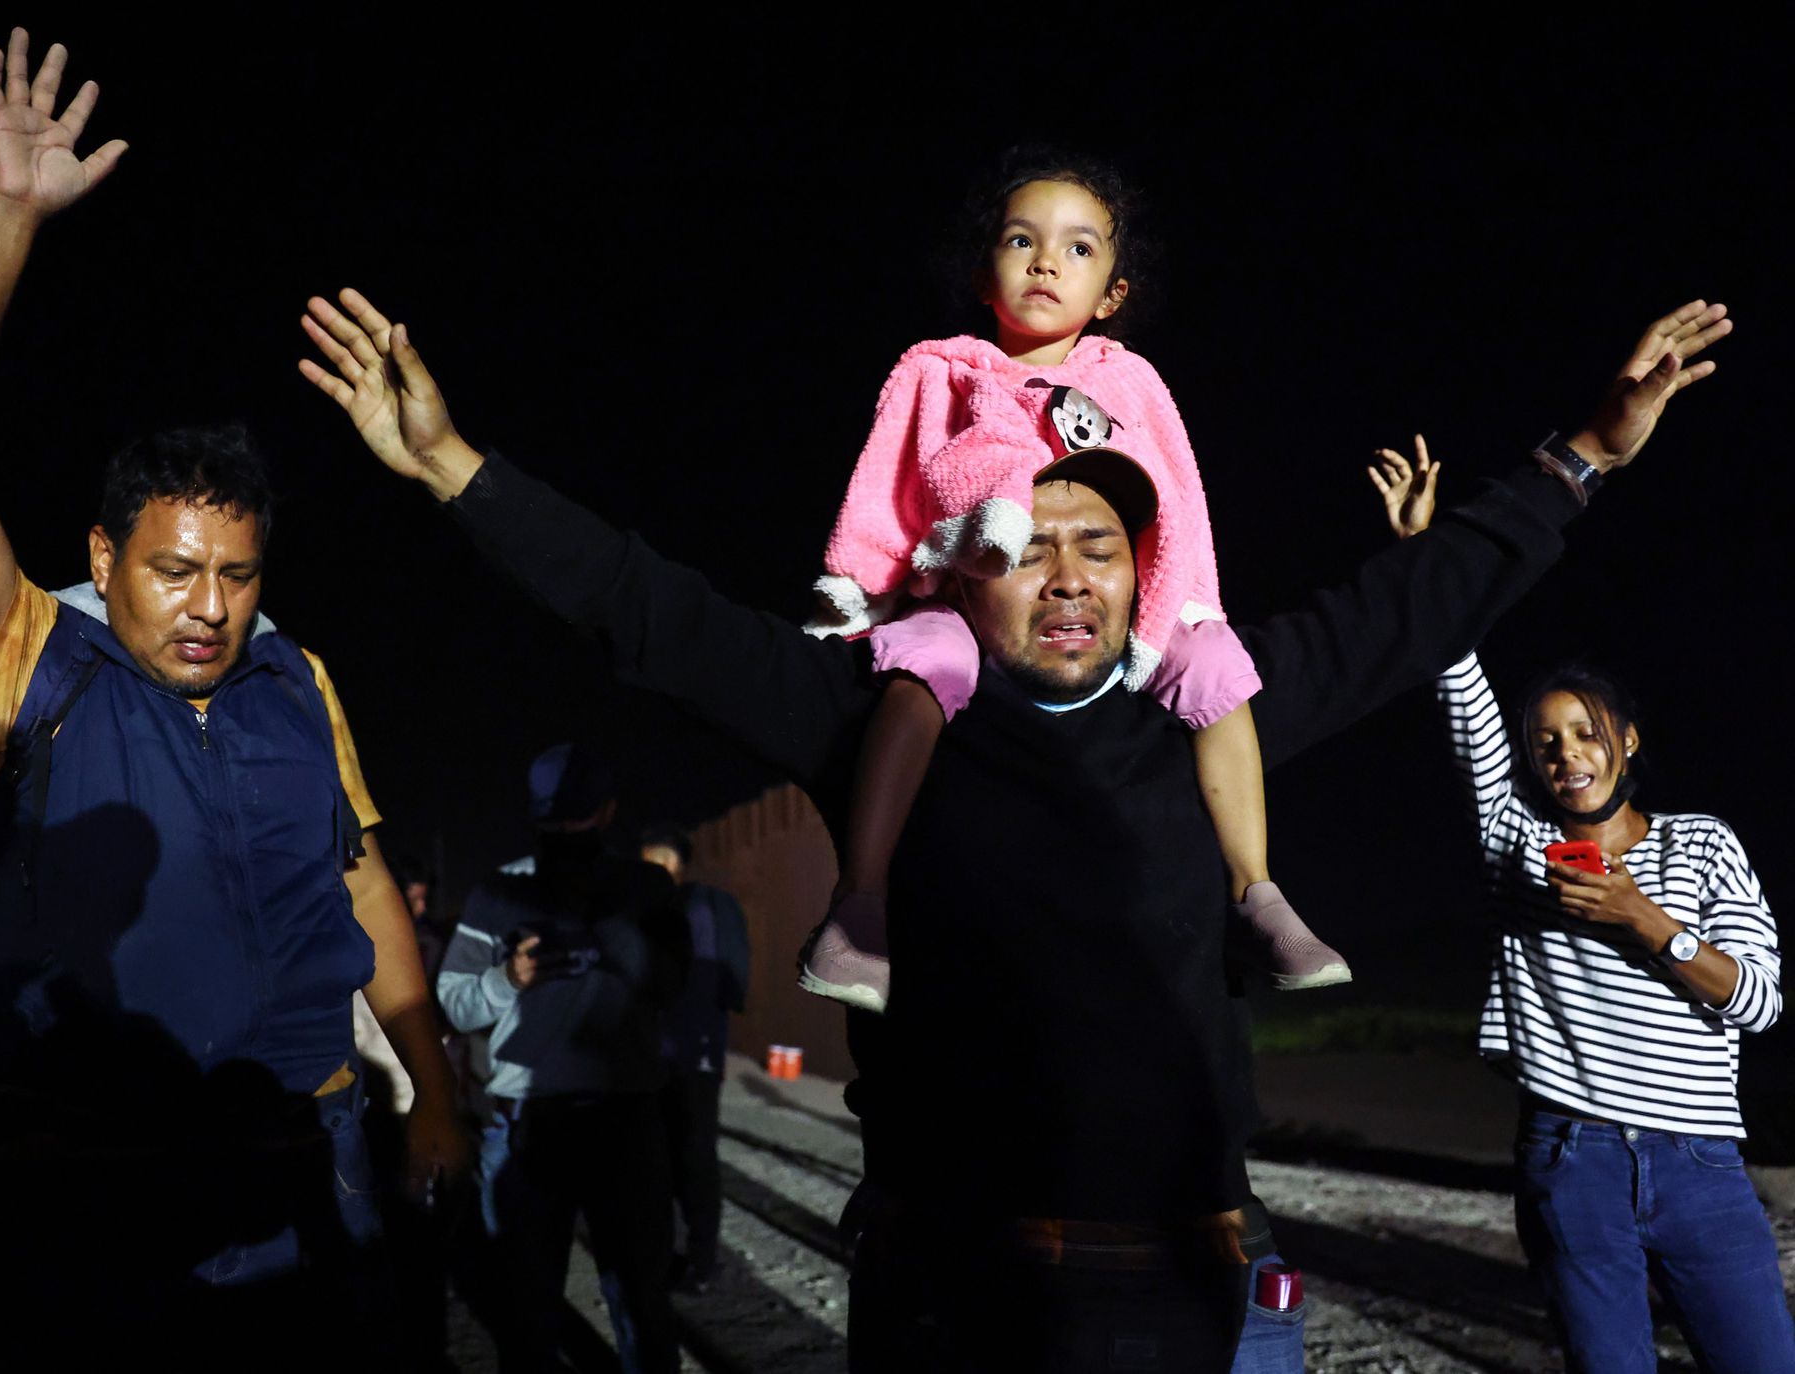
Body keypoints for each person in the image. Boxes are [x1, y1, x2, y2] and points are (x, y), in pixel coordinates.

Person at [301, 280, 1727, 1370]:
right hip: (948, 1298)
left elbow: (1415, 607)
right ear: (963, 571)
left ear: (1141, 574)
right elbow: (655, 614)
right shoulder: (883, 726)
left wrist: (1586, 454)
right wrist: (454, 471)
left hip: (1192, 1287)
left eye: (1099, 544)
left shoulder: (1205, 722)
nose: (1064, 572)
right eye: (1025, 543)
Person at [0, 29, 466, 1354]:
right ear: (103, 556)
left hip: (318, 1154)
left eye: (238, 574)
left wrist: (432, 1088)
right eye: (175, 570)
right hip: (108, 1181)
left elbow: (360, 879)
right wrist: (4, 219)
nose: (209, 606)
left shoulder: (298, 679)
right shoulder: (32, 666)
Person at [801, 148, 1349, 1012]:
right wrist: (858, 590)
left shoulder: (1130, 378)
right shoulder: (938, 369)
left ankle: (1258, 894)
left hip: (1107, 604)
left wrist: (1190, 603)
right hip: (965, 593)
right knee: (922, 672)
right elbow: (886, 487)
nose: (1047, 261)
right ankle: (859, 905)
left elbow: (1178, 494)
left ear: (1114, 294)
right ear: (986, 273)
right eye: (1022, 241)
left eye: (1080, 248)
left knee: (1216, 666)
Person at [1370, 438, 1795, 1374]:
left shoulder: (1702, 844)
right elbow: (1459, 684)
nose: (1565, 752)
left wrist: (1645, 921)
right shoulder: (1514, 842)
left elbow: (1760, 1002)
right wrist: (1430, 558)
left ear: (1627, 740)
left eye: (1586, 732)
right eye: (1546, 740)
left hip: (1702, 1168)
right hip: (1574, 1160)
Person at [436, 745, 691, 1373]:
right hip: (529, 1123)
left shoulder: (644, 887)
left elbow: (673, 986)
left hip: (624, 1118)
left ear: (605, 814)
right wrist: (508, 978)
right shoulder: (501, 890)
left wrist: (612, 926)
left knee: (639, 1301)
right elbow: (455, 1004)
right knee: (527, 1309)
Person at [641, 824, 752, 1292]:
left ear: (669, 863)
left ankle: (699, 1259)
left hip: (688, 1054)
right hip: (663, 1053)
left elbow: (731, 978)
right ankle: (676, 1256)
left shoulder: (703, 905)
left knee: (691, 1154)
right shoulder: (663, 908)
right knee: (666, 1155)